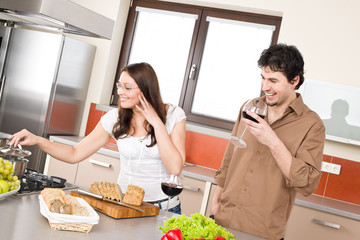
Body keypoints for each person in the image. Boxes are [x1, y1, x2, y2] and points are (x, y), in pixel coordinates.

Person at [10, 62, 186, 214]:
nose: (120, 92)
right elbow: (74, 153)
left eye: (127, 87)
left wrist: (156, 122)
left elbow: (175, 168)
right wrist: (38, 140)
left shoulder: (173, 115)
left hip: (164, 208)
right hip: (125, 205)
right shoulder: (114, 118)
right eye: (119, 86)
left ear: (146, 89)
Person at [211, 44, 325, 240]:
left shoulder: (312, 125)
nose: (265, 87)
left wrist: (272, 140)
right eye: (263, 78)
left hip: (263, 231)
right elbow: (230, 156)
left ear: (294, 81)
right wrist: (216, 197)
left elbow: (306, 183)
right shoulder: (250, 107)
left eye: (273, 80)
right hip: (223, 220)